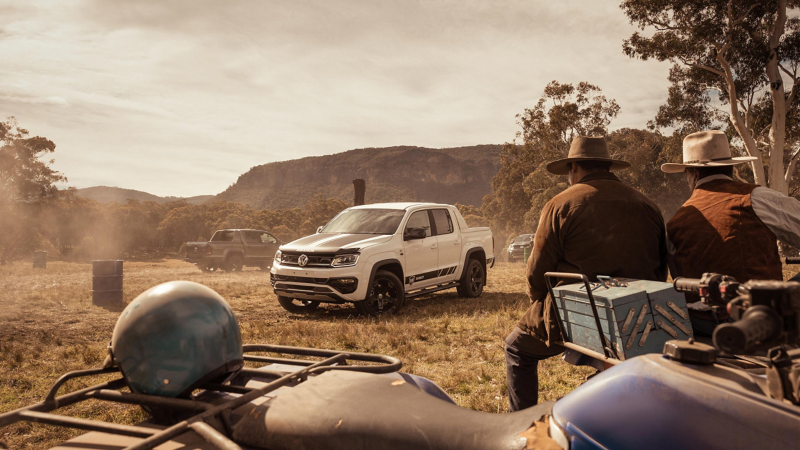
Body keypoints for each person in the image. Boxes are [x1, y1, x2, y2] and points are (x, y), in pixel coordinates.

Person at [504, 136, 668, 412]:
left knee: (515, 348)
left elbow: (537, 271)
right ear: (607, 166)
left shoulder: (560, 204)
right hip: (639, 314)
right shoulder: (647, 204)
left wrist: (539, 301)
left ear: (575, 167)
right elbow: (660, 270)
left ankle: (520, 422)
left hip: (580, 311)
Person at [662, 130, 800, 335]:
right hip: (757, 318)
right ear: (731, 168)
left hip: (702, 324)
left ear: (694, 174)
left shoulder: (676, 220)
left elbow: (678, 278)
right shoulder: (756, 197)